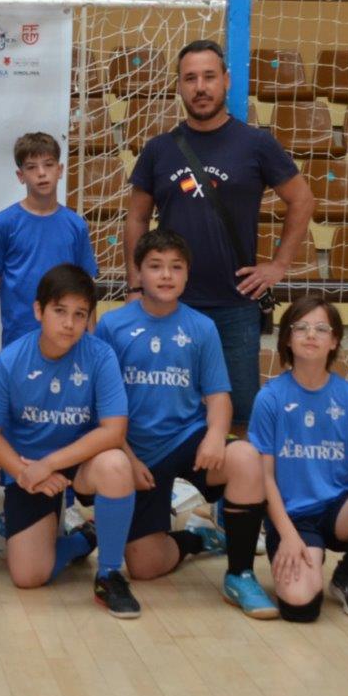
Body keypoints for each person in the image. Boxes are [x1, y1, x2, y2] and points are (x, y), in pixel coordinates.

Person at [125, 39, 314, 438]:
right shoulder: (159, 150)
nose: (200, 87)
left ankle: (234, 481)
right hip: (171, 304)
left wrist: (278, 265)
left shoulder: (256, 144)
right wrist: (135, 284)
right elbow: (137, 217)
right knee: (169, 411)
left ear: (226, 80)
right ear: (179, 86)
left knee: (240, 416)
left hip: (236, 305)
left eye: (209, 77)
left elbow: (302, 199)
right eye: (190, 78)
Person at [96, 229, 277, 619]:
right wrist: (127, 457)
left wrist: (215, 435)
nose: (166, 275)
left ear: (187, 274)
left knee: (246, 457)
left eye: (176, 267)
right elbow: (102, 407)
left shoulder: (201, 327)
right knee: (145, 566)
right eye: (155, 266)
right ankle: (196, 539)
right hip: (137, 451)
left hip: (187, 439)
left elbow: (219, 397)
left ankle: (240, 574)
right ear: (138, 273)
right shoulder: (112, 327)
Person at [0, 264, 141, 618]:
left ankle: (109, 575)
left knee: (116, 464)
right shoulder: (11, 361)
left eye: (80, 314)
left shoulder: (100, 356)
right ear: (39, 310)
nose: (69, 323)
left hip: (80, 465)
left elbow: (114, 431)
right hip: (30, 470)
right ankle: (83, 539)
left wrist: (50, 463)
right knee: (28, 576)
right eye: (60, 311)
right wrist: (23, 472)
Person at [251, 296, 348, 622]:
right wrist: (288, 536)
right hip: (294, 517)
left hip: (339, 509)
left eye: (321, 329)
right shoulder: (270, 398)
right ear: (287, 338)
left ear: (334, 340)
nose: (311, 335)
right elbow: (263, 478)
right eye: (301, 327)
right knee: (299, 606)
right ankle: (309, 562)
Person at [0, 131, 96, 348]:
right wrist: (22, 291)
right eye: (31, 167)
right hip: (19, 334)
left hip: (67, 335)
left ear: (60, 170)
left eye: (48, 164)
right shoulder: (4, 222)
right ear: (21, 175)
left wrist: (90, 336)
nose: (42, 173)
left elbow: (86, 284)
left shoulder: (76, 225)